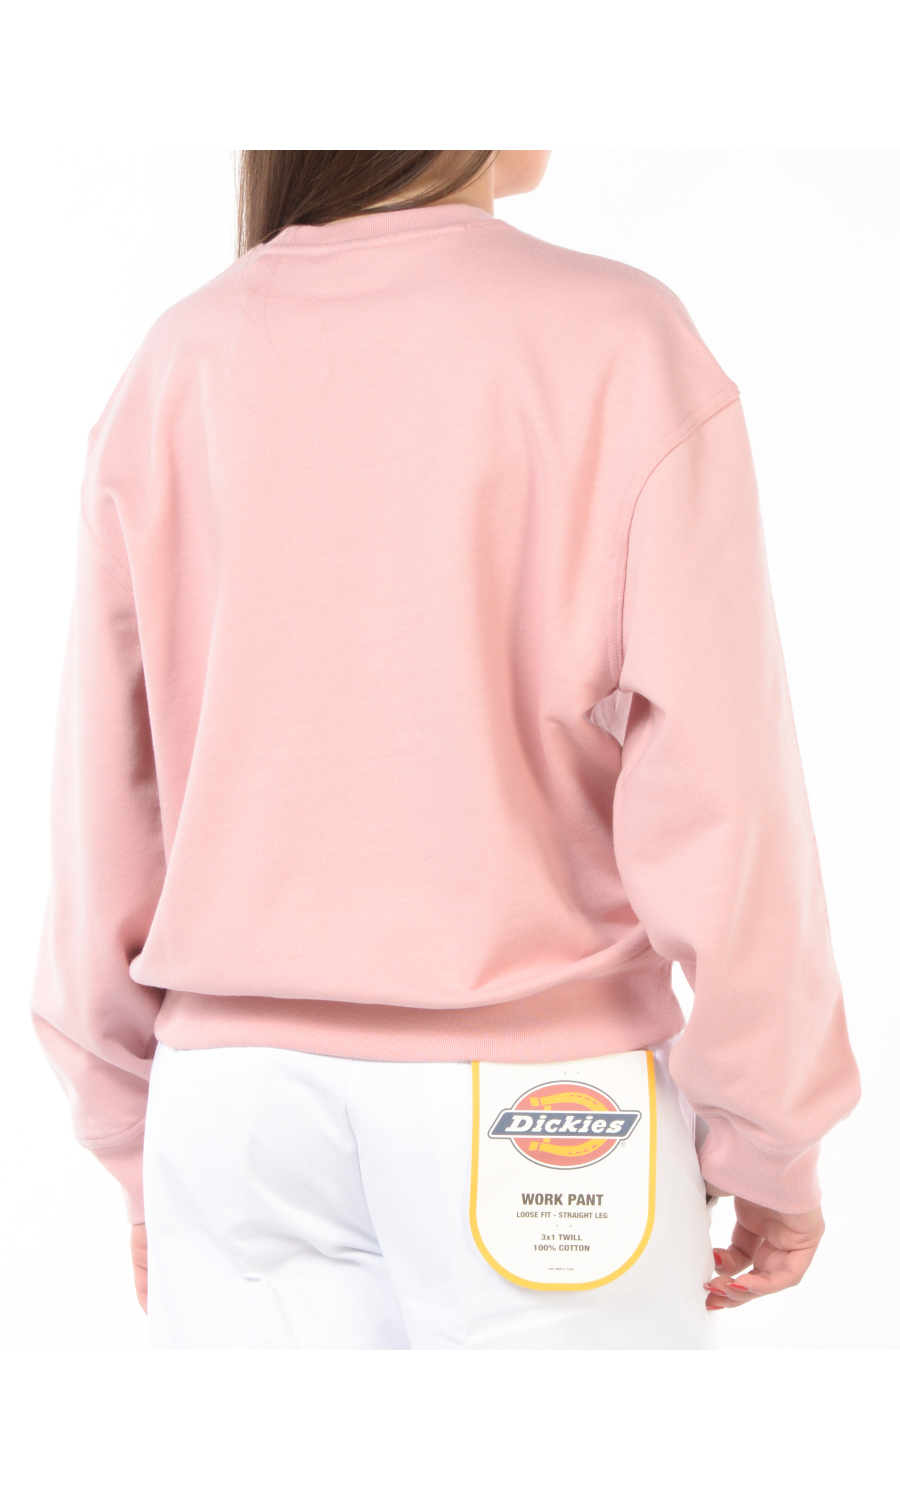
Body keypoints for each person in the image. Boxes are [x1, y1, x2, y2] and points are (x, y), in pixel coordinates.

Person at [31, 150, 861, 1349]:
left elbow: (106, 795)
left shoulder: (180, 355)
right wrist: (770, 1134)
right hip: (538, 1101)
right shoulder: (616, 338)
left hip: (233, 1112)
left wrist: (128, 1130)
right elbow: (722, 793)